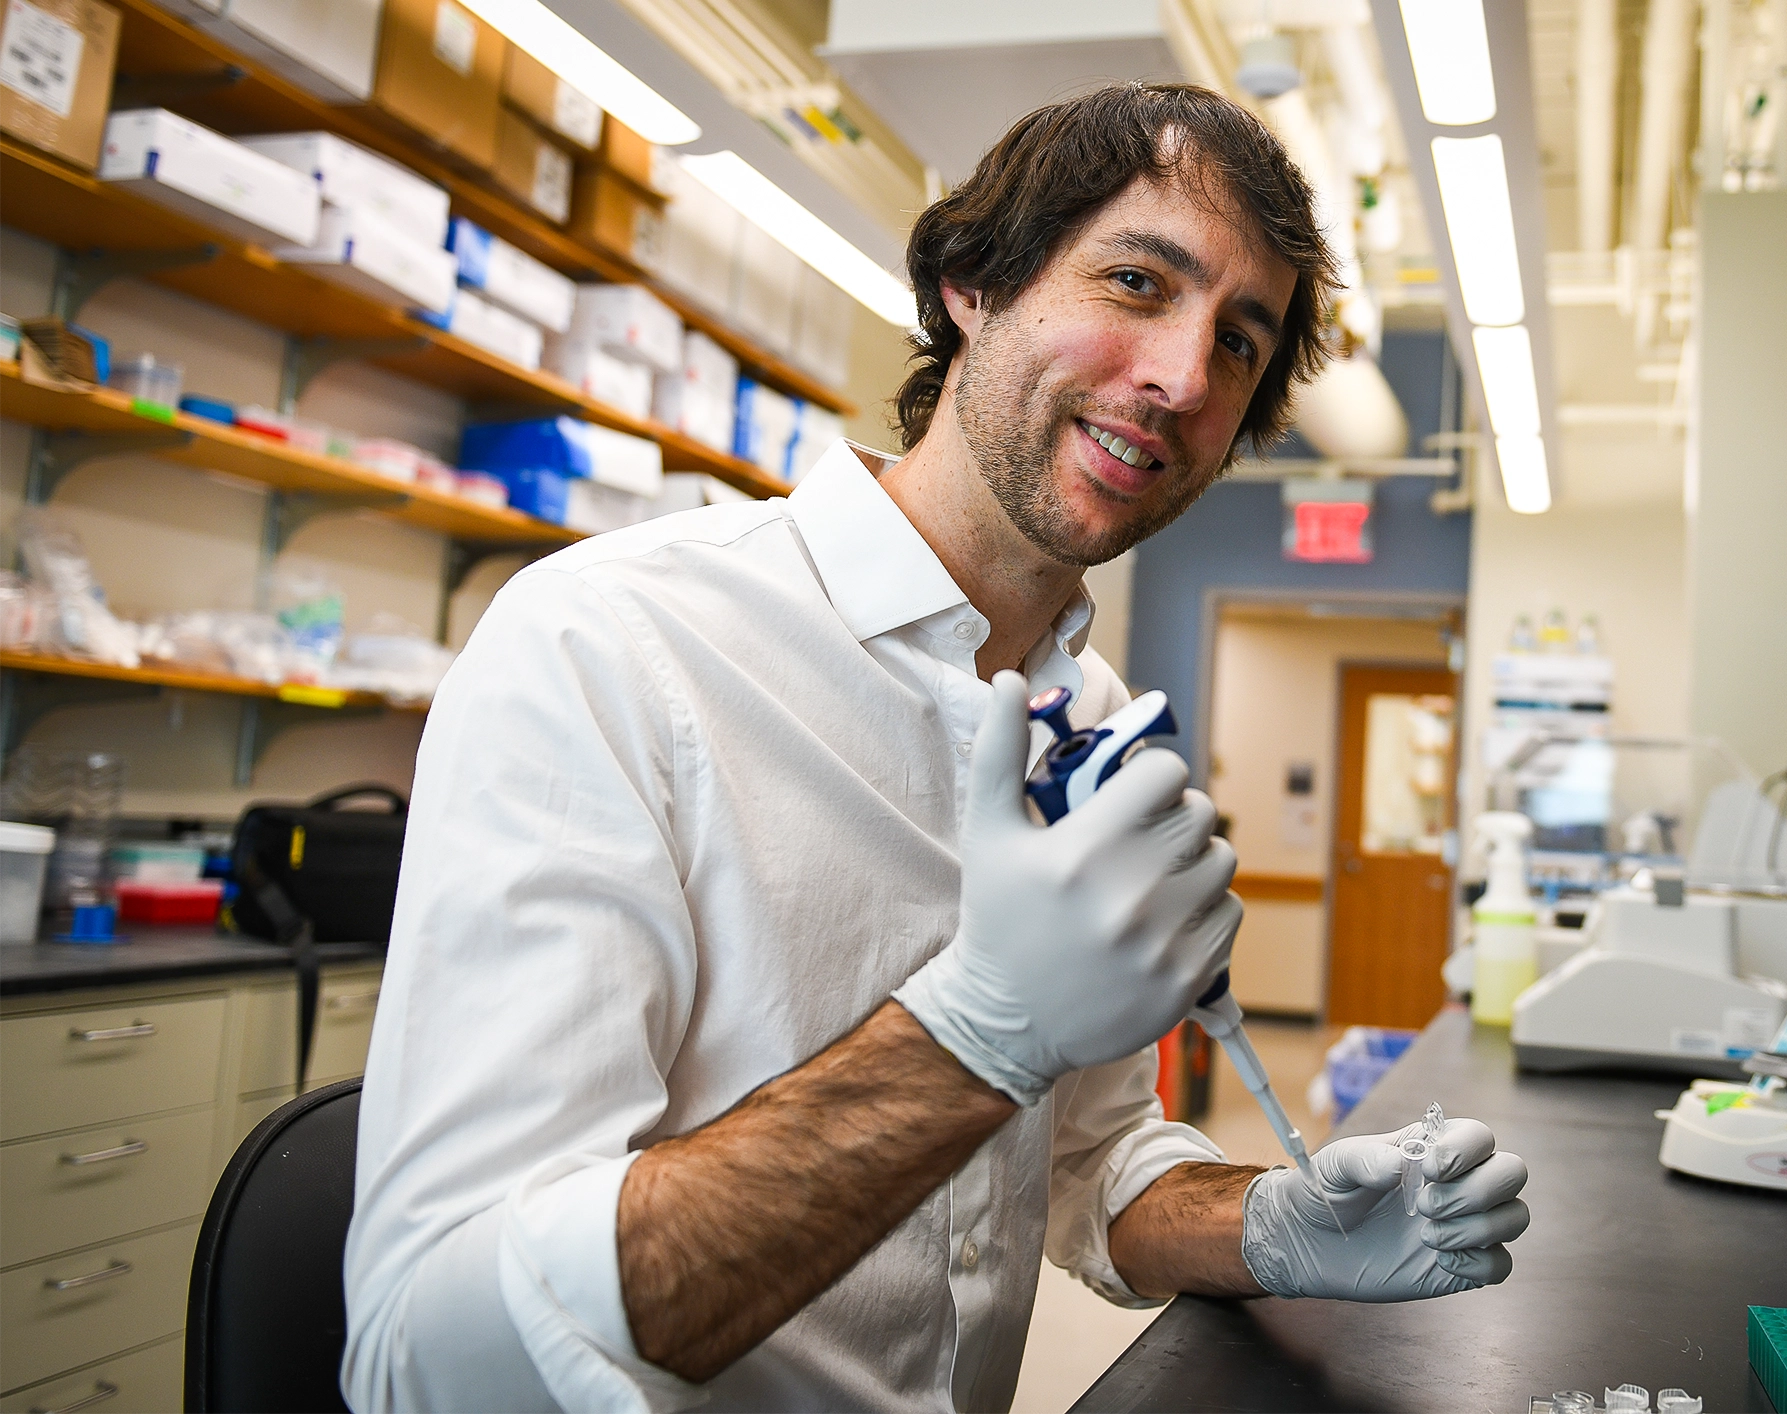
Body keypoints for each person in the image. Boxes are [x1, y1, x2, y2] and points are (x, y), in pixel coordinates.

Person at [342, 82, 1531, 1414]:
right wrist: (972, 1040)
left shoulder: (1091, 721)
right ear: (973, 279)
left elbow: (1089, 1159)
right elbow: (426, 1360)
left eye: (1240, 343)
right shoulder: (612, 647)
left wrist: (1267, 1226)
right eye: (1138, 281)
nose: (1186, 377)